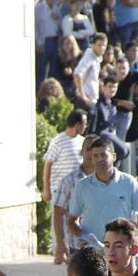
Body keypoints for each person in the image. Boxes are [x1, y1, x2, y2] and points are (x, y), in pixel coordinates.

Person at [66, 135, 138, 247]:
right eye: (95, 156)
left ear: (114, 156)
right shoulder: (82, 186)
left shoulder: (128, 182)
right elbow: (72, 220)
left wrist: (136, 233)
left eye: (103, 155)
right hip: (93, 250)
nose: (99, 159)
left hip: (122, 249)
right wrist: (83, 236)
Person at [45, 108, 88, 263]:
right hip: (59, 187)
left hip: (77, 188)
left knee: (75, 219)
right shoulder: (58, 141)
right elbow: (48, 164)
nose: (85, 126)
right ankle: (59, 251)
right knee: (59, 220)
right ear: (76, 124)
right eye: (84, 123)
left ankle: (74, 251)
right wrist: (46, 188)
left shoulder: (82, 141)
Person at [74, 33, 106, 108]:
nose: (102, 48)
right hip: (85, 100)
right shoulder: (89, 56)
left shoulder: (97, 59)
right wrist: (83, 96)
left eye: (104, 45)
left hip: (92, 100)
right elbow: (77, 74)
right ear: (93, 45)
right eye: (99, 45)